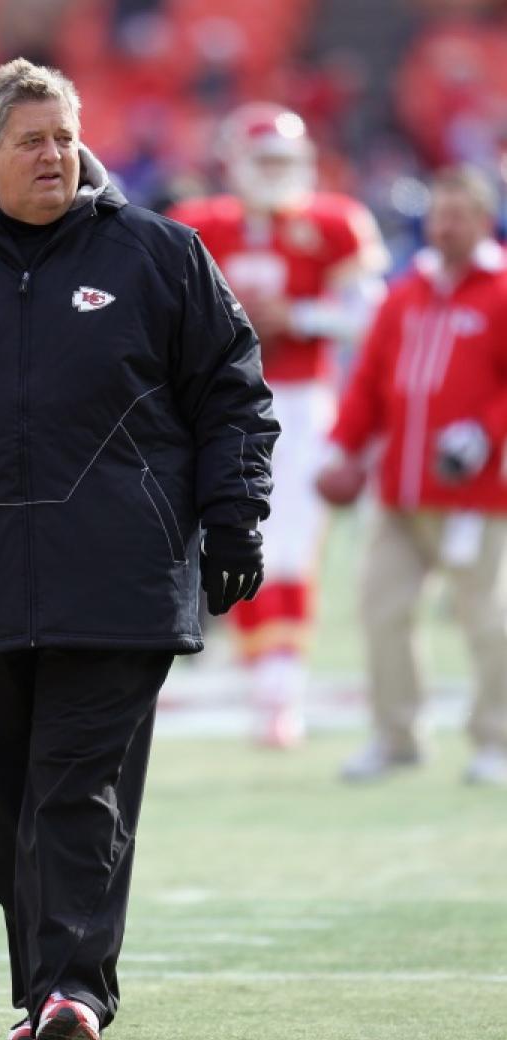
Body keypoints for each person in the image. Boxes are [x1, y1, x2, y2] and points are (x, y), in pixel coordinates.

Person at [0, 59, 279, 1040]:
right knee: (4, 812)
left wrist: (236, 517)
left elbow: (233, 395)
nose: (53, 154)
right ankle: (48, 991)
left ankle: (72, 988)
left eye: (65, 135)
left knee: (73, 788)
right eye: (30, 138)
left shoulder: (163, 256)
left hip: (121, 578)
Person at [168, 102, 387, 747]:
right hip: (216, 406)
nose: (272, 172)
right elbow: (163, 322)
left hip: (299, 399)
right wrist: (232, 323)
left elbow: (367, 319)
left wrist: (298, 316)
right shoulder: (198, 225)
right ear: (235, 162)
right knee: (231, 539)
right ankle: (262, 678)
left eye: (281, 161)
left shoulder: (335, 222)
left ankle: (279, 693)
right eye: (261, 159)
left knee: (289, 546)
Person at [317, 164, 507, 786]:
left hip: (472, 494)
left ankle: (496, 740)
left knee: (488, 618)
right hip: (398, 487)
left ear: (482, 220)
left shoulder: (501, 288)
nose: (444, 227)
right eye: (438, 215)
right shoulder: (407, 293)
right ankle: (396, 734)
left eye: (457, 216)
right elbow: (370, 381)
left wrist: (486, 429)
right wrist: (343, 447)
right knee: (382, 610)